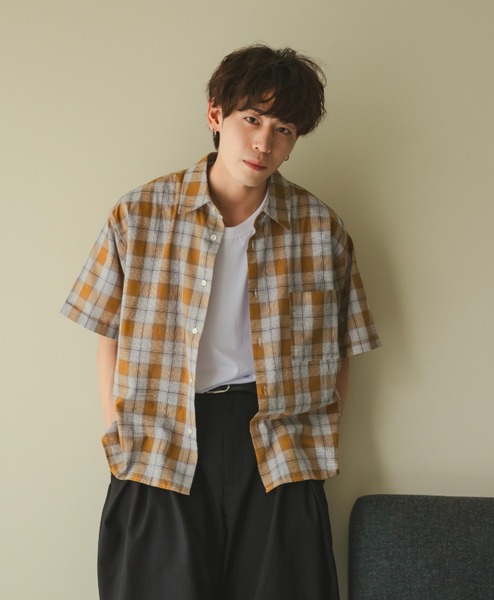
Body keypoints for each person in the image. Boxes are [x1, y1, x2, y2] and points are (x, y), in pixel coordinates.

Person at [61, 44, 380, 600]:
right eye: (251, 119)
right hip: (161, 437)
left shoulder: (319, 228)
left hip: (276, 444)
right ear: (216, 115)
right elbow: (108, 336)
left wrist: (314, 438)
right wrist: (120, 431)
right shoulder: (139, 214)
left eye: (283, 129)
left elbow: (342, 348)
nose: (263, 142)